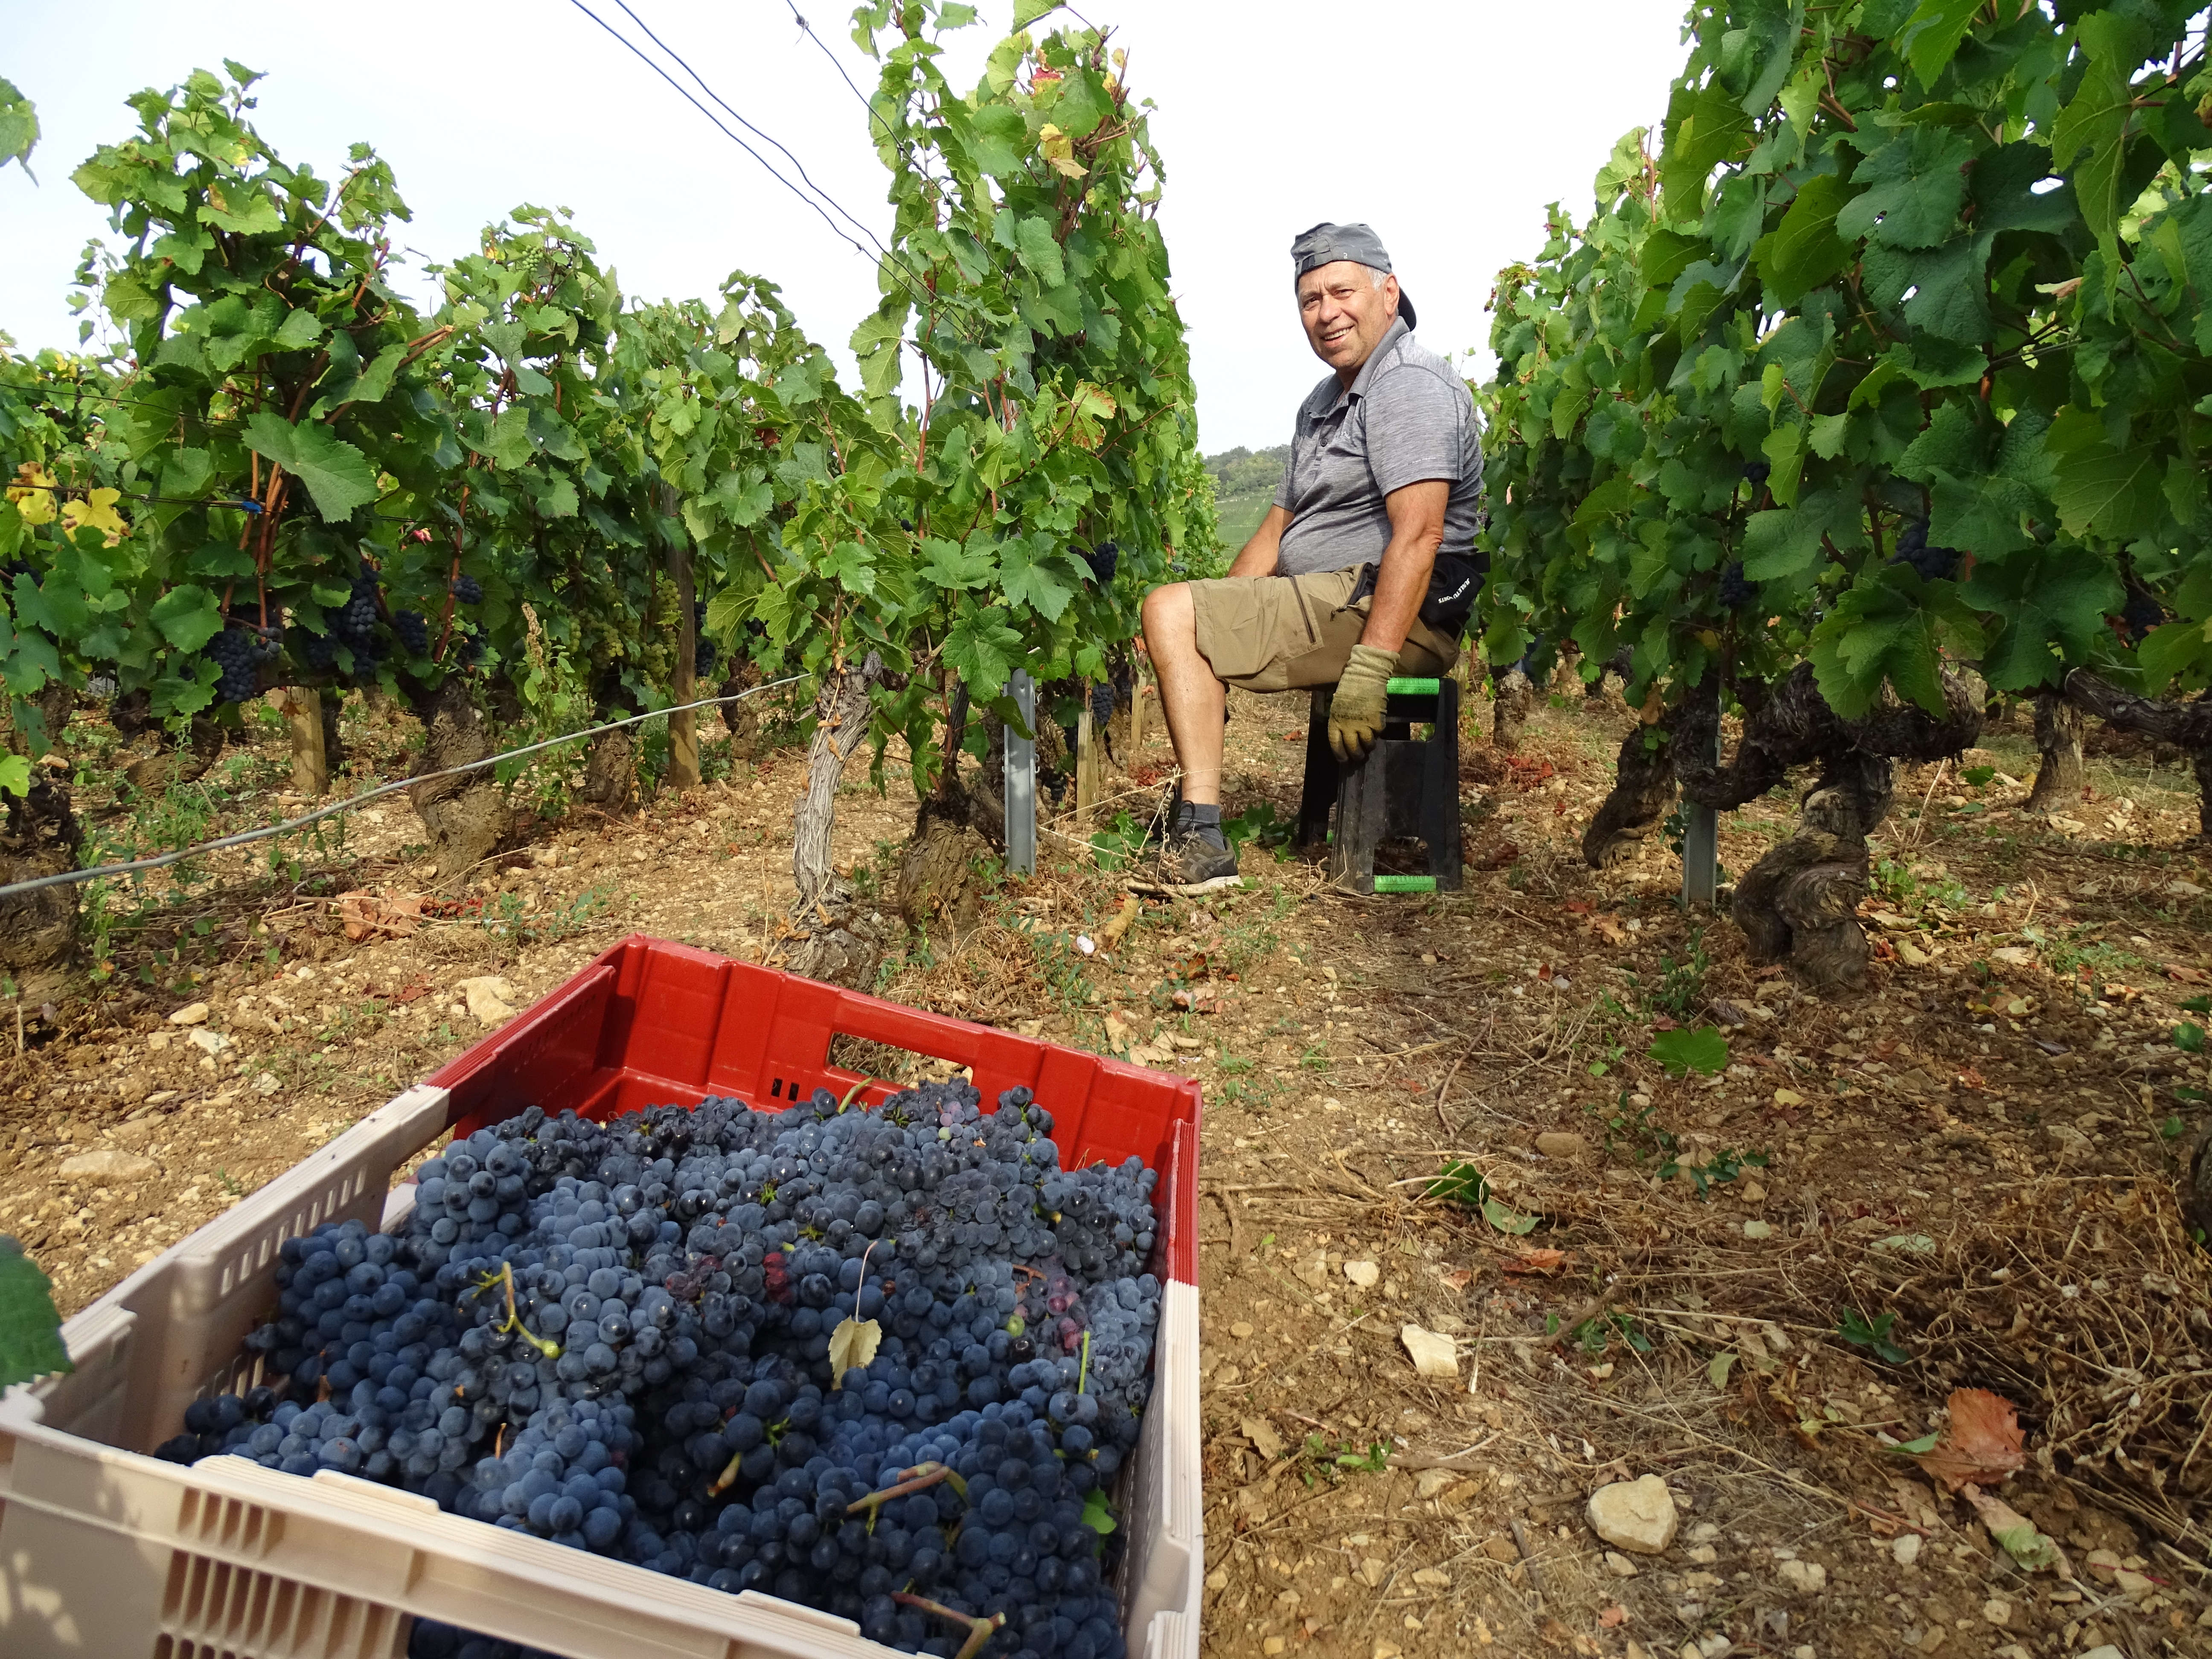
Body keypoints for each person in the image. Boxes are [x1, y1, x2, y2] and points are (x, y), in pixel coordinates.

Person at [1139, 222, 1484, 891]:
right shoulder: (1322, 404)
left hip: (1396, 609)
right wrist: (1216, 621)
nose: (1326, 313)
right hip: (1343, 599)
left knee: (1169, 611)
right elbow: (1274, 532)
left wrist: (1372, 667)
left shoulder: (1407, 385)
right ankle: (1203, 823)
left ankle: (1202, 837)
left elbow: (1420, 537)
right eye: (1309, 300)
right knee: (1183, 613)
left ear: (1390, 292)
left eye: (1342, 291)